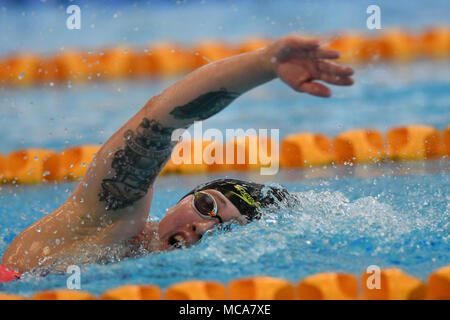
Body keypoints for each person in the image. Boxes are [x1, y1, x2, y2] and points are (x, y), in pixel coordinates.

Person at [1, 35, 354, 275]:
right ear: (183, 198)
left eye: (224, 232)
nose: (201, 228)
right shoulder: (112, 220)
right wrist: (264, 64)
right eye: (207, 206)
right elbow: (162, 120)